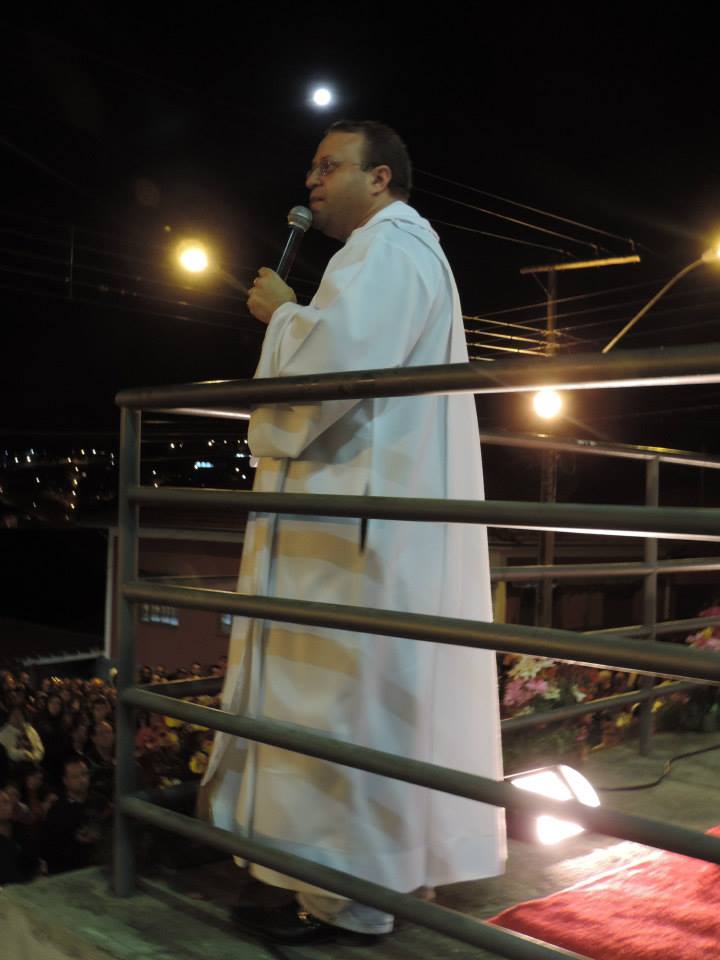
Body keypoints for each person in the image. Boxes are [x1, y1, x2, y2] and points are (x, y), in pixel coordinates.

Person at [201, 120, 505, 944]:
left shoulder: (387, 249)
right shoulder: (395, 252)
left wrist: (282, 315)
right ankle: (338, 879)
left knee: (344, 705)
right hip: (365, 513)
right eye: (310, 166)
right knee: (351, 704)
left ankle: (345, 897)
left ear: (379, 179)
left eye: (329, 165)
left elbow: (336, 369)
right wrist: (297, 319)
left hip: (355, 526)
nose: (311, 179)